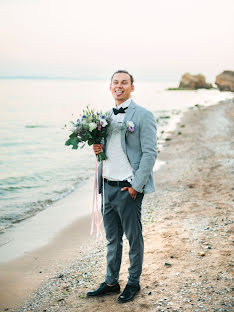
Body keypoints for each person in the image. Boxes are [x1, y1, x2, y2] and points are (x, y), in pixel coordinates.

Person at [86, 70, 157, 303]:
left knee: (134, 238)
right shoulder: (104, 117)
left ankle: (133, 283)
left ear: (132, 87)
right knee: (112, 239)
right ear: (110, 87)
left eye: (124, 83)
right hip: (107, 186)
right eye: (115, 82)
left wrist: (137, 186)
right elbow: (108, 150)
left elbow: (149, 153)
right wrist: (97, 148)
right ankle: (111, 282)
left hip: (129, 188)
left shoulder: (143, 115)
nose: (119, 86)